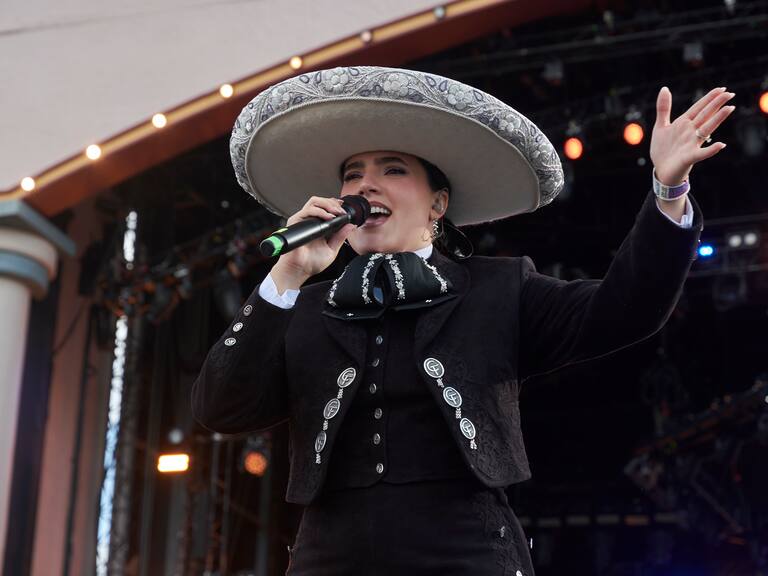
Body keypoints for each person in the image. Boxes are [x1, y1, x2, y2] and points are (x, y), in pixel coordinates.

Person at [192, 66, 734, 575]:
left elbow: (624, 310)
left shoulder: (498, 290)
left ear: (437, 204)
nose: (364, 186)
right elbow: (222, 408)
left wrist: (669, 191)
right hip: (331, 557)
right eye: (352, 174)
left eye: (392, 170)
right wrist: (286, 278)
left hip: (466, 554)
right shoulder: (304, 307)